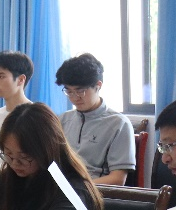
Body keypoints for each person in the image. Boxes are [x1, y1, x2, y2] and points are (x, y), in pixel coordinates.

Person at [54, 53, 135, 185]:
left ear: (98, 85)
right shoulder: (62, 120)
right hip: (61, 189)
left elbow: (118, 179)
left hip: (94, 191)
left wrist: (77, 188)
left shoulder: (118, 124)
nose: (74, 98)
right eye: (69, 91)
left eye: (80, 91)